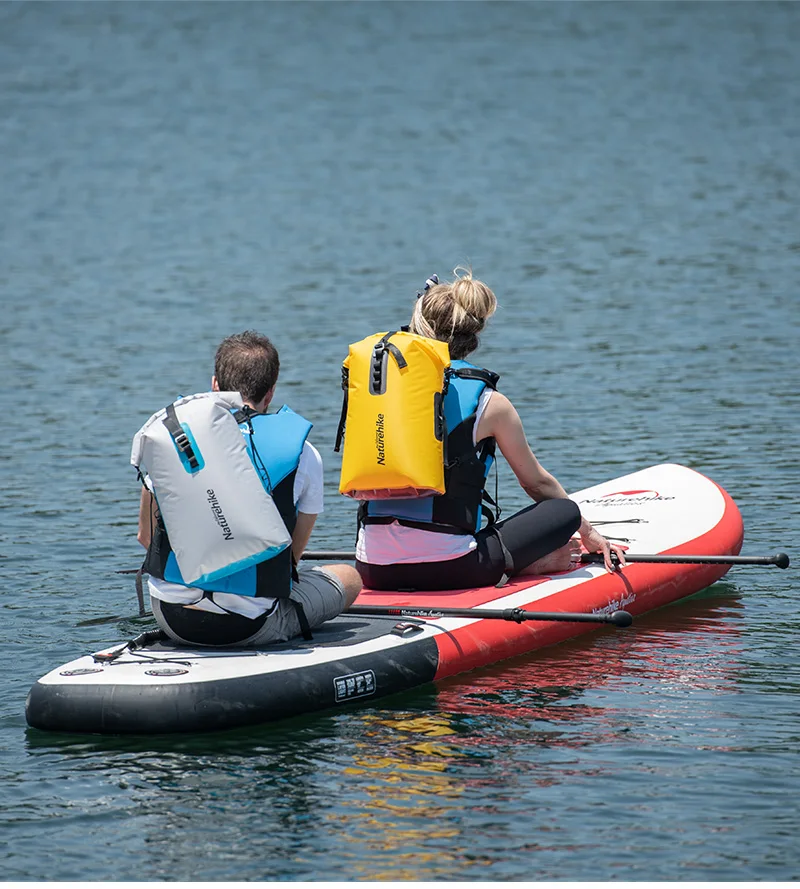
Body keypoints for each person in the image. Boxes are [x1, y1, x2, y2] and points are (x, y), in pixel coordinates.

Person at [355, 269, 627, 591]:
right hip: (451, 568)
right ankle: (536, 565)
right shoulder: (488, 402)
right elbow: (537, 484)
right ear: (473, 337)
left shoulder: (378, 394)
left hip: (370, 568)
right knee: (564, 511)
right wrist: (588, 533)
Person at [138, 330, 362, 646]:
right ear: (270, 394)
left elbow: (146, 537)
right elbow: (290, 561)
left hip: (171, 616)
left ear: (214, 384)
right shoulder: (303, 454)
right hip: (249, 627)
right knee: (350, 578)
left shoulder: (171, 441)